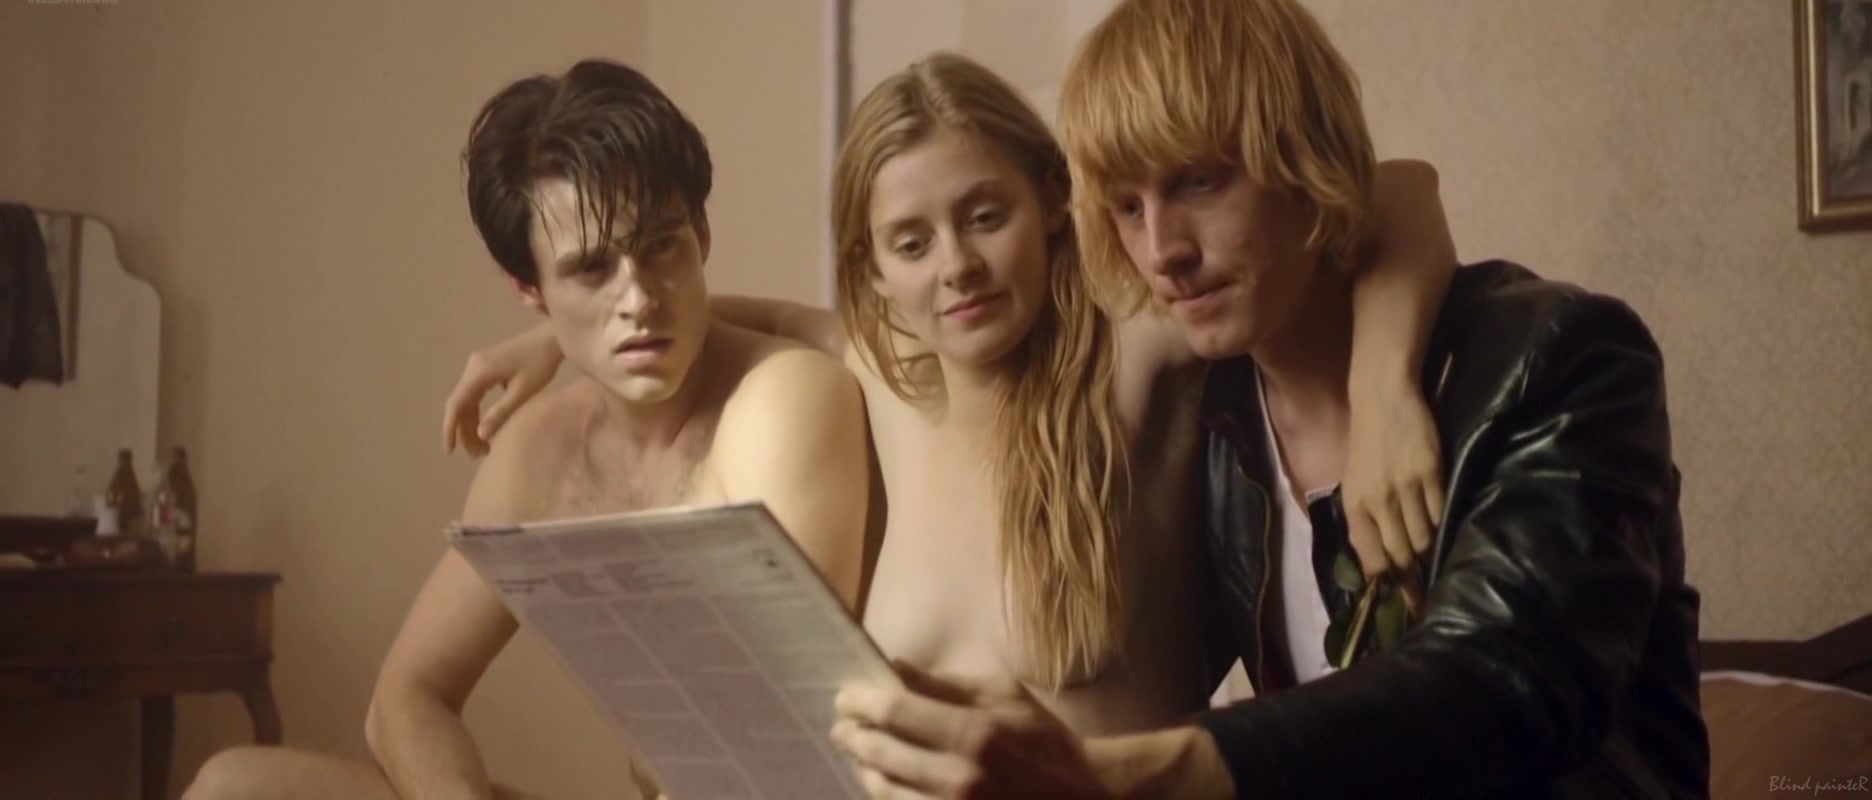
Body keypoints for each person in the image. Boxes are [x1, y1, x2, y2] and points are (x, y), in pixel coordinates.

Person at [827, 0, 1710, 797]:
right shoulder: (1220, 424)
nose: (1163, 250)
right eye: (1127, 207)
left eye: (1199, 182)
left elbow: (1502, 681)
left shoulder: (1562, 359)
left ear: (1304, 157)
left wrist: (1114, 776)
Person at [446, 50, 1459, 741]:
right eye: (911, 242)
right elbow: (706, 313)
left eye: (985, 217)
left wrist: (1386, 392)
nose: (957, 269)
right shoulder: (880, 366)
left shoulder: (1135, 346)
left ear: (1052, 205)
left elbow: (1398, 188)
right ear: (873, 267)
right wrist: (555, 340)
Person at [182, 58, 871, 800]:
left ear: (702, 234)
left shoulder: (782, 401)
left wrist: (567, 336)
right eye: (592, 270)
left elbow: (777, 742)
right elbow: (406, 698)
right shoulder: (541, 450)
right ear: (528, 289)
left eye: (661, 245)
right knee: (234, 785)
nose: (638, 299)